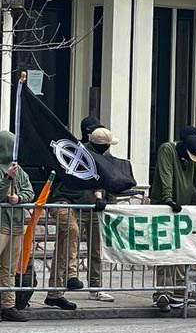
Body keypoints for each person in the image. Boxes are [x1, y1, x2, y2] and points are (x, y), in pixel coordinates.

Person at [44, 127, 116, 311]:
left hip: (88, 205)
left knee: (73, 245)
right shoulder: (77, 154)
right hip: (63, 200)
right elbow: (92, 180)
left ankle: (55, 293)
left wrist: (102, 199)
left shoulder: (98, 158)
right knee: (71, 231)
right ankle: (70, 275)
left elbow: (99, 181)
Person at [150, 128, 196, 313]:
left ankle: (180, 290)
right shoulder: (167, 150)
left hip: (182, 209)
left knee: (181, 251)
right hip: (164, 207)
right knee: (164, 250)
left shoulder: (194, 157)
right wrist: (168, 198)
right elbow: (166, 174)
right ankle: (163, 292)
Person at [0, 131, 34, 321]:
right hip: (1, 222)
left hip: (16, 224)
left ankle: (8, 304)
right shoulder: (5, 169)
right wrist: (6, 180)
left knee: (9, 268)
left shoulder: (19, 170)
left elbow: (30, 191)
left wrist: (19, 197)